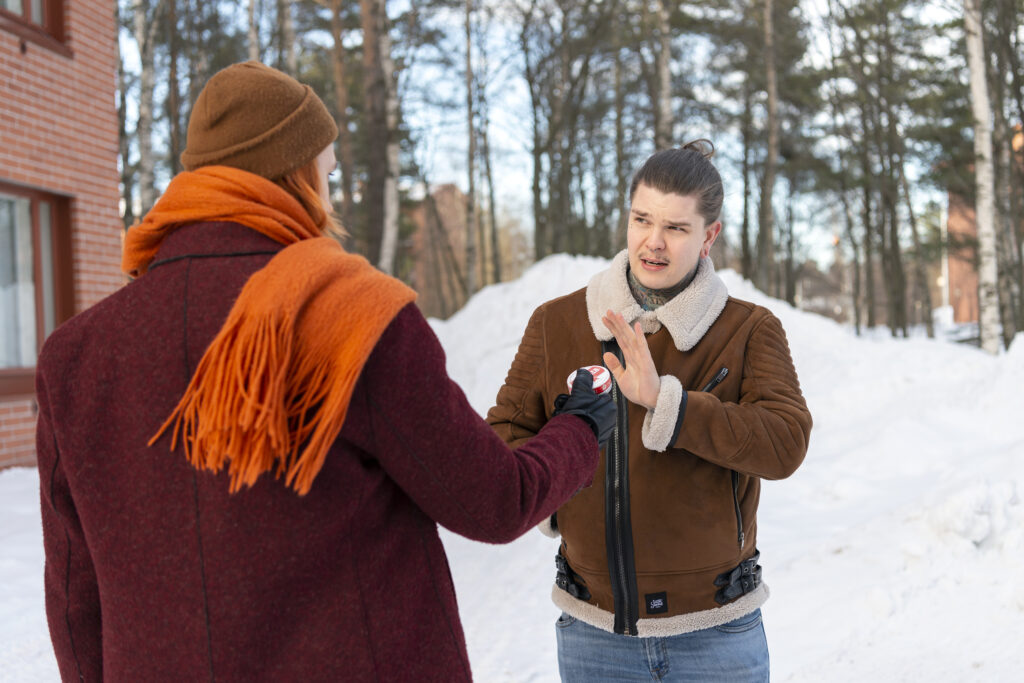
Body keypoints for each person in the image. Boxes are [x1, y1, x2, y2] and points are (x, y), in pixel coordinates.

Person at [34, 61, 615, 682]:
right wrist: (581, 425)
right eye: (328, 173)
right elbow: (494, 499)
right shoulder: (350, 315)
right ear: (296, 172)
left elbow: (75, 590)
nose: (330, 195)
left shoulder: (76, 354)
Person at [487, 140, 812, 682]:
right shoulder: (557, 324)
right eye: (642, 220)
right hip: (593, 636)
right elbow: (505, 438)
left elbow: (784, 444)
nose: (653, 243)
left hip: (716, 635)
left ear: (709, 236)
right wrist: (554, 495)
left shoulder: (749, 329)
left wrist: (669, 405)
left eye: (676, 228)